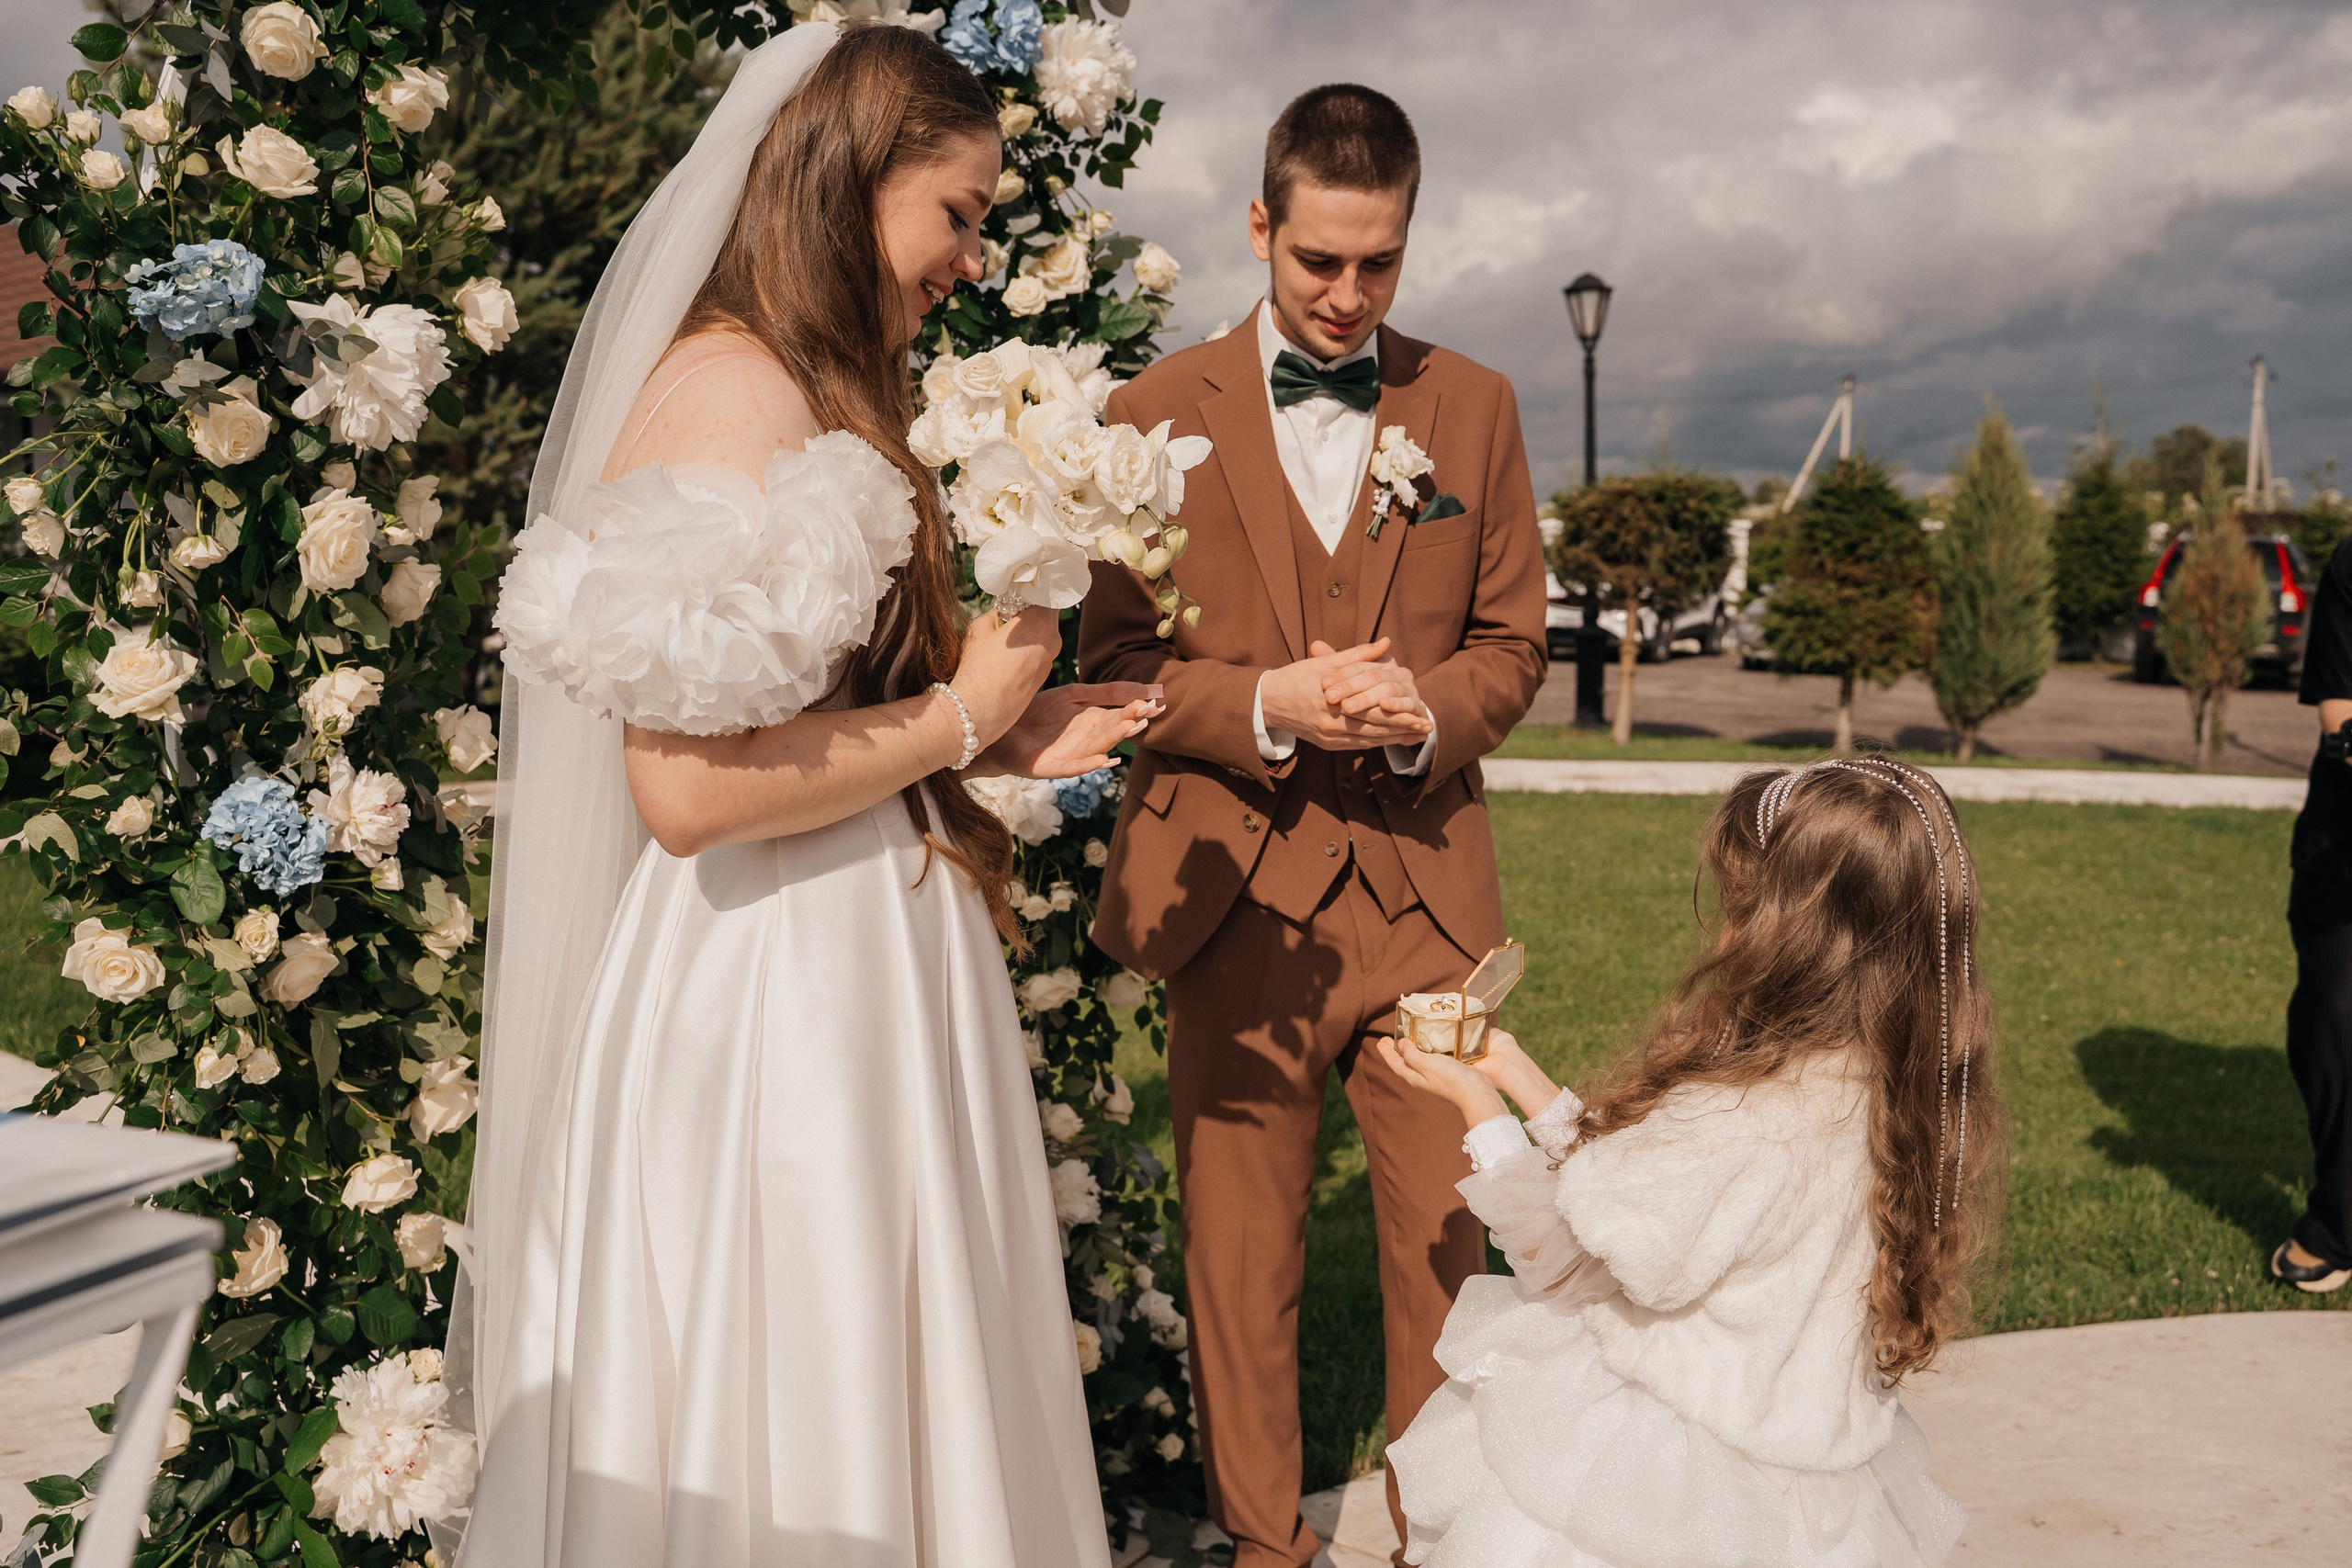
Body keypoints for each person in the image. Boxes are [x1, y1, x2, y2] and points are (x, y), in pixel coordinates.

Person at [456, 25, 1156, 1567]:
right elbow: (686, 789)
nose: (972, 257)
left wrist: (990, 738)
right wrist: (960, 711)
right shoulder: (734, 396)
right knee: (799, 1376)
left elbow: (796, 727)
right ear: (850, 178)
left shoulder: (802, 384)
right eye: (956, 212)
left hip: (842, 955)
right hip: (777, 999)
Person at [1078, 85, 1548, 1567]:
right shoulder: (1150, 414)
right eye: (1319, 260)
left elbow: (1513, 644)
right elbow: (1112, 666)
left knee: (1448, 1244)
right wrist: (1265, 701)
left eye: (1380, 262)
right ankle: (1262, 1544)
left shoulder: (1476, 404)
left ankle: (1439, 1535)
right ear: (1259, 225)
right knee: (1239, 1254)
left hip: (1427, 900)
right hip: (1236, 894)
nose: (1349, 294)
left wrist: (1423, 712)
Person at [1374, 757, 2000, 1567]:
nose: (1724, 929)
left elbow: (1565, 1264)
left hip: (1663, 1481)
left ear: (1784, 933)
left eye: (1738, 904)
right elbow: (1641, 1183)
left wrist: (1479, 1110)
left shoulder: (1741, 1114)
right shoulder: (1886, 1091)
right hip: (1802, 1487)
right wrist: (1520, 1074)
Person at [2273, 535, 2352, 1293]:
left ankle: (2337, 1222)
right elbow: (2338, 706)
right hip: (2344, 836)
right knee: (2330, 1016)